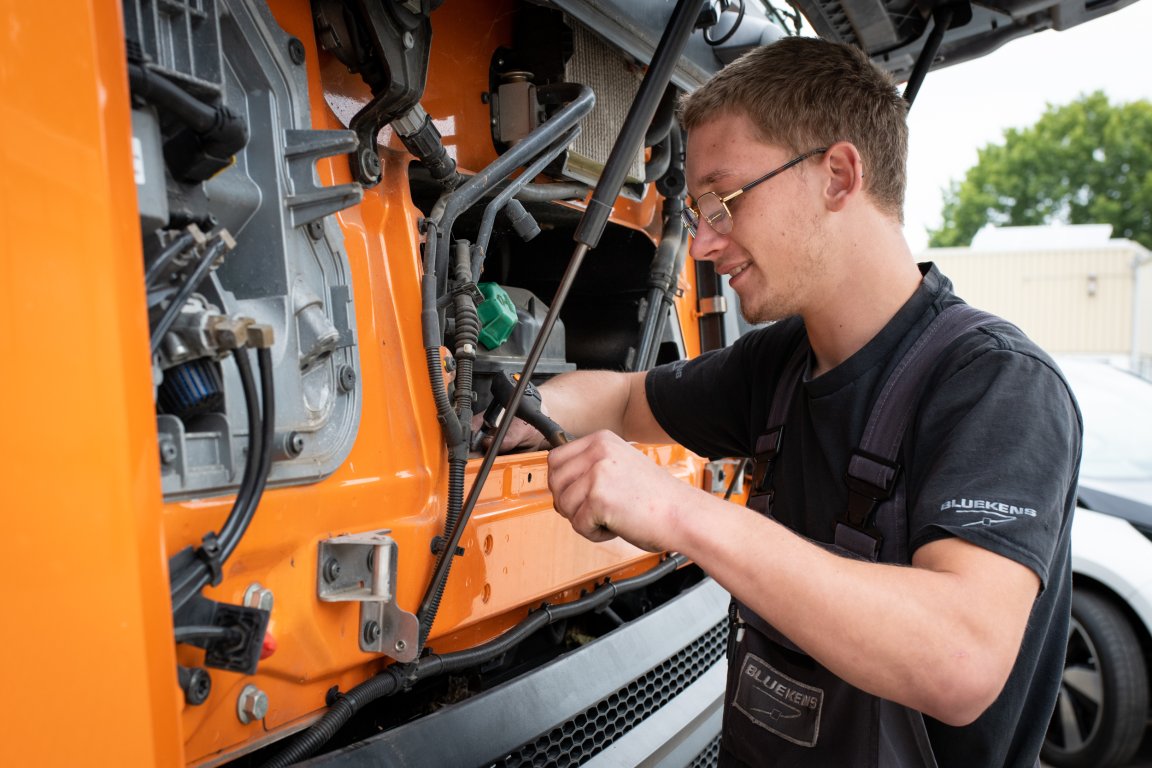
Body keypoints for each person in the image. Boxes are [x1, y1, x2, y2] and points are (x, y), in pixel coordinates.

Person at [497, 36, 1081, 766]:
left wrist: (682, 513)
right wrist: (513, 411)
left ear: (838, 175)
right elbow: (618, 400)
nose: (704, 244)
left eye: (723, 201)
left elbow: (959, 661)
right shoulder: (779, 366)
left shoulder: (996, 384)